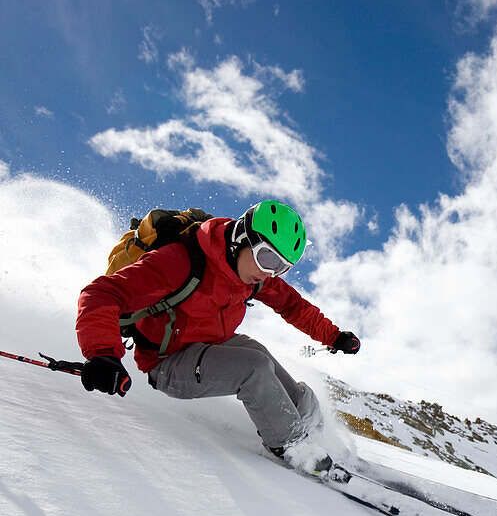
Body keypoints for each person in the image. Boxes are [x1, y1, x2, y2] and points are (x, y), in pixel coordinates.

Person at [75, 200, 360, 480]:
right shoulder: (181, 261)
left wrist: (333, 336)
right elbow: (101, 293)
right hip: (166, 362)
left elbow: (293, 306)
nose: (270, 273)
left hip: (211, 343)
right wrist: (103, 354)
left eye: (282, 267)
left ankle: (312, 429)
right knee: (254, 367)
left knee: (259, 354)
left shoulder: (254, 274)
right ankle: (295, 448)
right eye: (268, 259)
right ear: (241, 237)